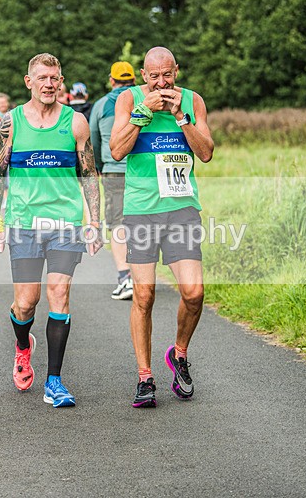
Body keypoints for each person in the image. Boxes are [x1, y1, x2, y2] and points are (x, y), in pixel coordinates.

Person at [0, 53, 102, 408]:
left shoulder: (75, 122)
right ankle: (23, 346)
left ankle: (55, 381)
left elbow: (88, 173)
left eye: (54, 78)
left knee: (59, 292)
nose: (49, 84)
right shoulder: (11, 123)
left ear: (61, 81)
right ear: (29, 82)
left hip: (65, 222)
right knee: (25, 303)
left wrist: (95, 222)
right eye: (42, 78)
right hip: (23, 222)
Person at [109, 46, 214, 409]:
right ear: (143, 76)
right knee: (144, 295)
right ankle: (144, 377)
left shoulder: (193, 101)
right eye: (154, 76)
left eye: (167, 75)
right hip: (142, 211)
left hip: (182, 208)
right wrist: (143, 114)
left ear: (176, 72)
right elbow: (117, 150)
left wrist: (182, 118)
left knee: (194, 292)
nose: (161, 82)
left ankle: (179, 354)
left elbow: (206, 152)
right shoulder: (129, 99)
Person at [90, 61, 137, 300]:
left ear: (112, 80)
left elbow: (94, 140)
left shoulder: (101, 105)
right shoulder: (142, 98)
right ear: (135, 79)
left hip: (114, 170)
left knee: (117, 223)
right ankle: (143, 275)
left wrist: (99, 165)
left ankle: (125, 278)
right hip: (142, 170)